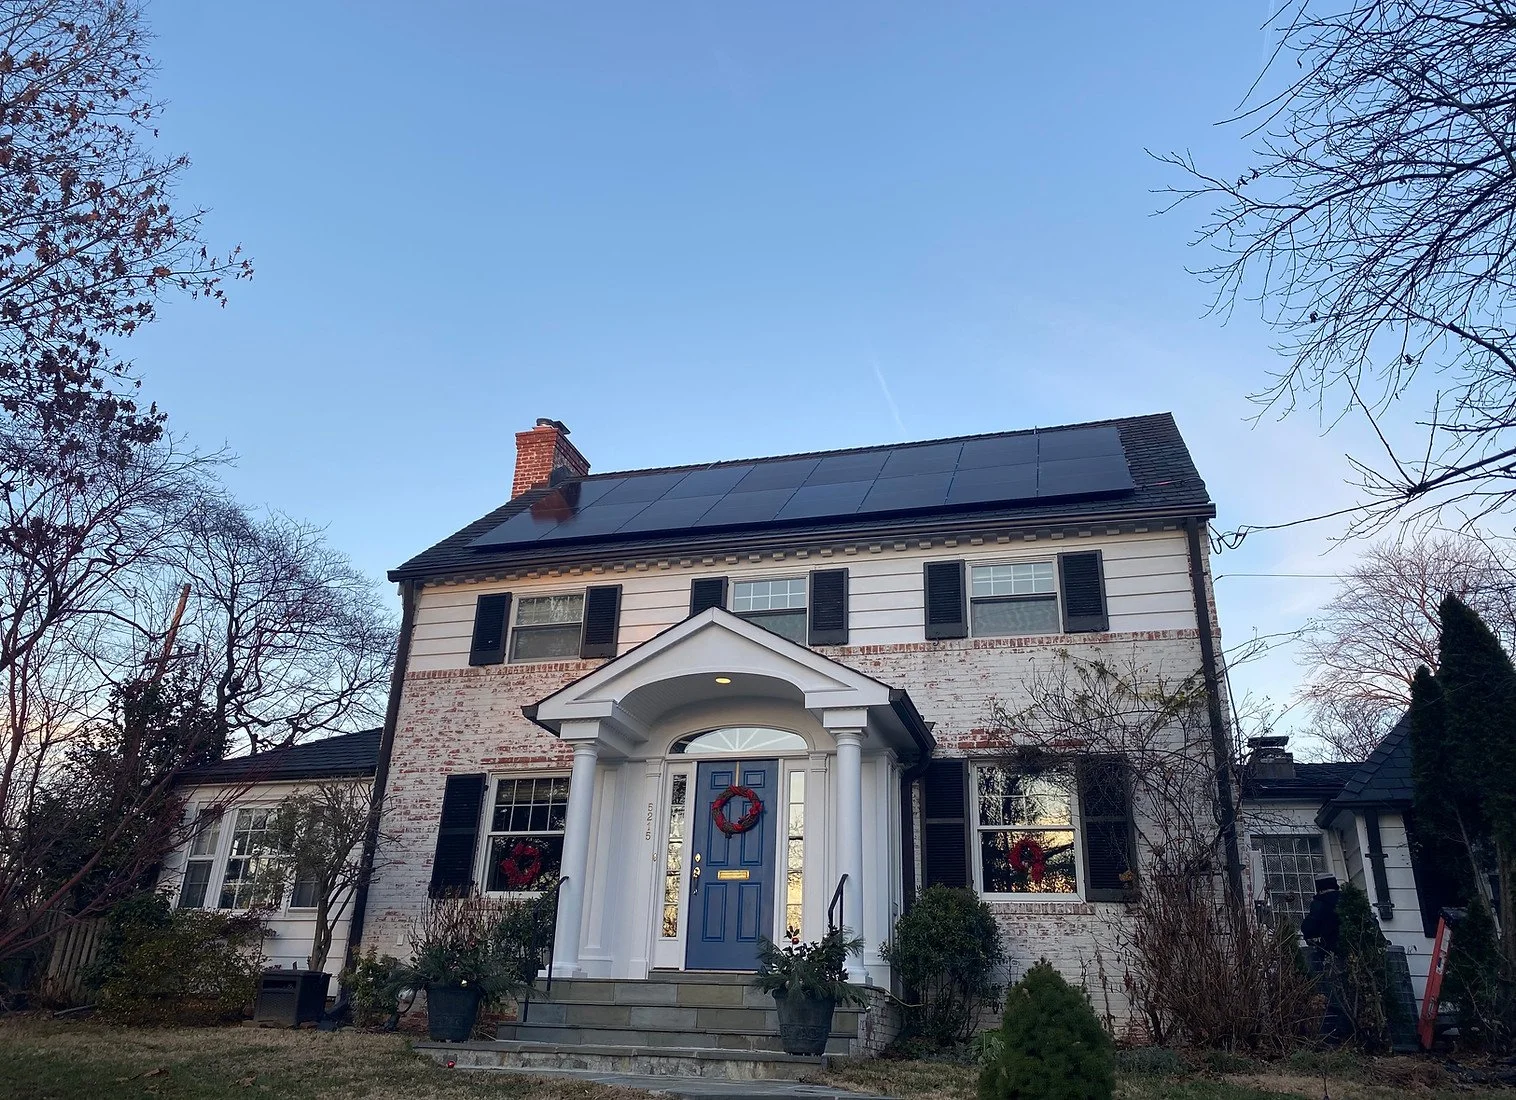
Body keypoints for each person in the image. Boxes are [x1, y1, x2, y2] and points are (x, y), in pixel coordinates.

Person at [1300, 874, 1341, 952]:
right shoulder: (1349, 900)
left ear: (1320, 890)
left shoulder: (1320, 903)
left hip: (1328, 948)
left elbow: (1309, 927)